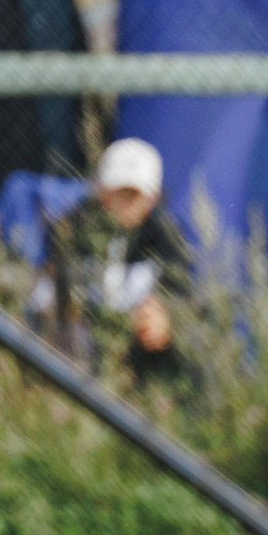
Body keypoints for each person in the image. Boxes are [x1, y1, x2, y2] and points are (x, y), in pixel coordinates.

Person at [38, 137, 191, 371]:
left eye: (134, 194)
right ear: (100, 189)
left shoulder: (167, 239)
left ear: (153, 198)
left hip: (140, 353)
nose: (125, 203)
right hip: (83, 347)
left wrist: (168, 319)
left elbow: (185, 295)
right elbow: (56, 296)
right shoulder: (69, 230)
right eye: (119, 192)